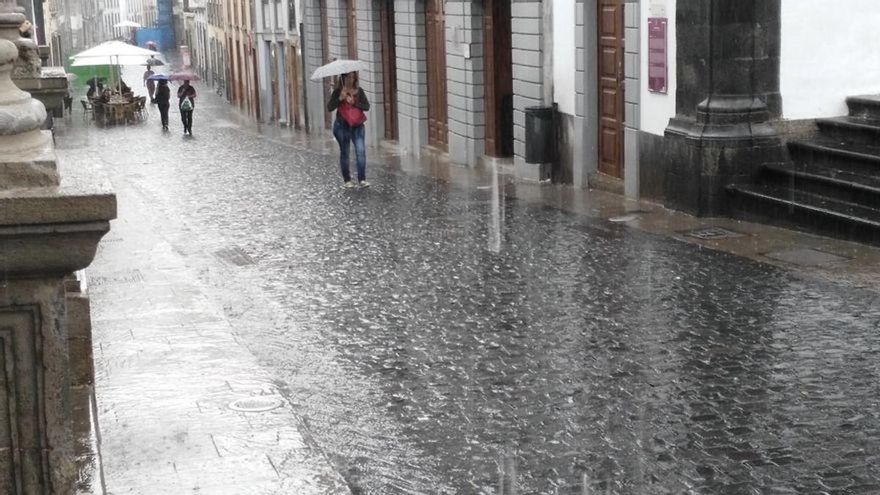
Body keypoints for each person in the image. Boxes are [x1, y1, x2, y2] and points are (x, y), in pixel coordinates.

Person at [327, 72, 370, 188]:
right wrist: (340, 98)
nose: (350, 79)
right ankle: (347, 180)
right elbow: (330, 107)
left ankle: (362, 179)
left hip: (358, 125)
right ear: (343, 78)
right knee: (345, 152)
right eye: (348, 77)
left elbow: (367, 106)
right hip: (343, 126)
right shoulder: (338, 91)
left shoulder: (359, 91)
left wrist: (354, 102)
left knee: (360, 151)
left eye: (352, 77)